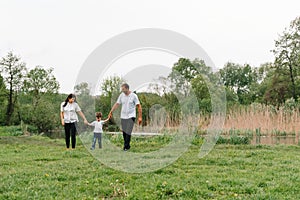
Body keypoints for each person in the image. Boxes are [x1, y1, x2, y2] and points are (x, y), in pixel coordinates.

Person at [109, 83, 142, 151]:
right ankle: (127, 145)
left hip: (131, 116)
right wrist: (111, 111)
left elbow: (139, 106)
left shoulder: (134, 96)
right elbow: (117, 104)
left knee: (128, 131)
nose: (122, 90)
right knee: (124, 132)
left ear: (127, 88)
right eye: (122, 89)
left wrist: (140, 117)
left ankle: (125, 147)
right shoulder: (121, 96)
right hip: (123, 116)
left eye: (123, 89)